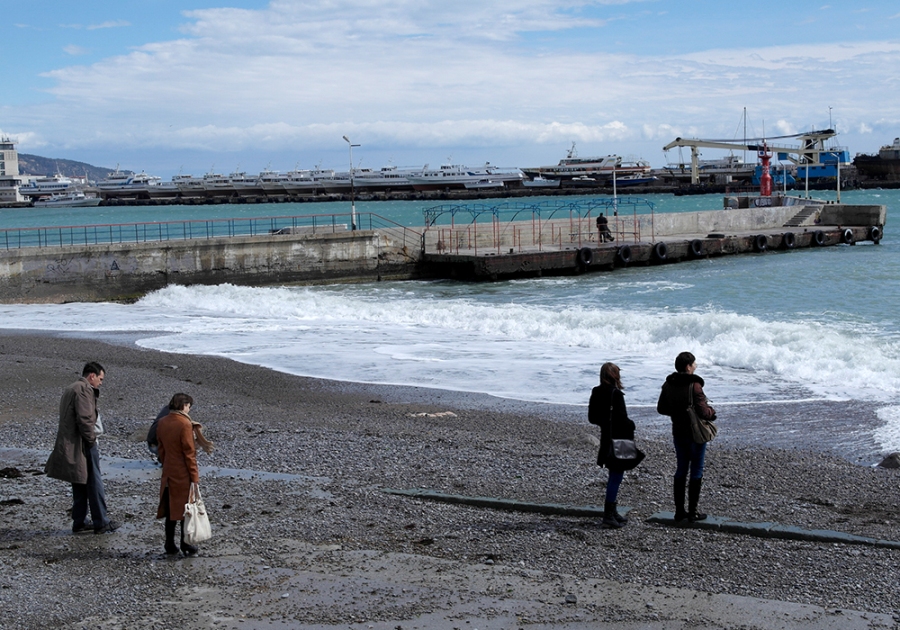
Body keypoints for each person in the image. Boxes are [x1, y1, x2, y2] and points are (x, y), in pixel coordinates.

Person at [45, 361, 120, 534]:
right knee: (94, 482)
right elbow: (85, 419)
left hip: (72, 442)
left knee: (79, 481)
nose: (101, 383)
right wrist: (91, 440)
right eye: (100, 379)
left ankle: (79, 522)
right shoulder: (84, 389)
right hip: (82, 443)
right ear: (91, 376)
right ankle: (101, 521)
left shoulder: (71, 388)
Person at [657, 351, 717, 522]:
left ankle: (679, 511)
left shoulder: (668, 384)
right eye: (694, 364)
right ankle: (693, 512)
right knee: (696, 469)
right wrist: (712, 413)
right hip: (695, 433)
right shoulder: (695, 386)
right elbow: (703, 411)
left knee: (681, 469)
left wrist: (677, 412)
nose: (695, 366)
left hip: (678, 431)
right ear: (688, 366)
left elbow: (661, 408)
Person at [156, 393, 212, 556]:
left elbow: (161, 448)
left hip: (168, 470)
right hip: (182, 472)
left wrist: (166, 463)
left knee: (170, 508)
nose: (189, 410)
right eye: (188, 407)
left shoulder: (162, 422)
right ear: (184, 405)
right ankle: (185, 543)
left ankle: (169, 543)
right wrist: (195, 476)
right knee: (184, 509)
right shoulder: (185, 424)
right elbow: (189, 453)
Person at [588, 362, 636, 529]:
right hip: (619, 439)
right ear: (615, 376)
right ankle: (609, 513)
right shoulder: (616, 394)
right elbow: (623, 419)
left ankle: (612, 511)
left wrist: (606, 423)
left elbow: (592, 418)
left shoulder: (596, 391)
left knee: (613, 475)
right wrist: (632, 425)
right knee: (616, 476)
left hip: (605, 438)